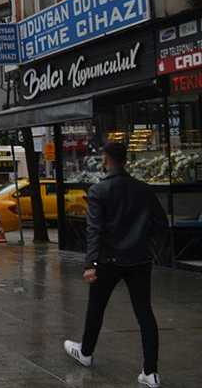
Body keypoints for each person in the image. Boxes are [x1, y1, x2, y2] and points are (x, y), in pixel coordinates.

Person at [64, 142, 168, 388]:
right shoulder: (143, 189)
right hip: (139, 260)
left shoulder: (99, 191)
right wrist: (149, 247)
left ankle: (86, 352)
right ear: (125, 160)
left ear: (106, 158)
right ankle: (150, 372)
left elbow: (94, 231)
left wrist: (90, 263)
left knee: (96, 308)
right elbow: (161, 224)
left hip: (109, 260)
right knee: (145, 313)